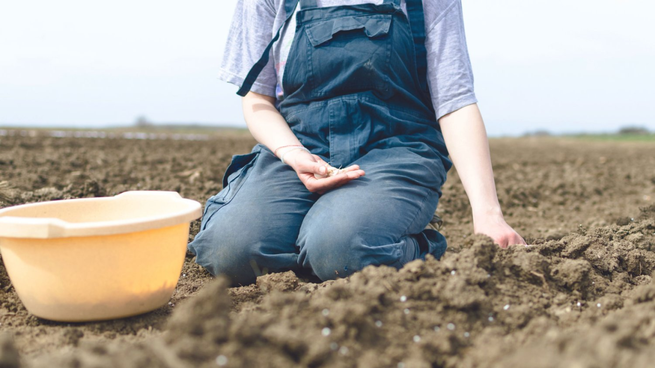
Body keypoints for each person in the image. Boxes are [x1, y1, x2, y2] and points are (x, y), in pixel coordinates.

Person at [188, 0, 526, 286]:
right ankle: (321, 239)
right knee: (229, 251)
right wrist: (293, 153)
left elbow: (455, 102)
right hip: (298, 146)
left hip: (395, 148)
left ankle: (399, 244)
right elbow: (257, 98)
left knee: (339, 250)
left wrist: (488, 214)